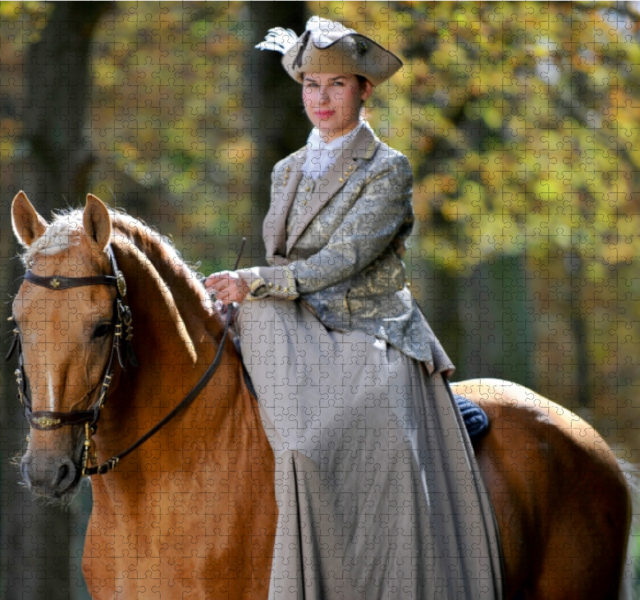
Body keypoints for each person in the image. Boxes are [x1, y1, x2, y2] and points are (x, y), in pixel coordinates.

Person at [205, 17, 502, 600]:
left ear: (364, 90)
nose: (321, 98)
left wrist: (257, 282)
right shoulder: (285, 169)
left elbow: (346, 258)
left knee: (329, 438)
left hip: (369, 321)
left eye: (336, 85)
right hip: (290, 314)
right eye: (311, 86)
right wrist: (237, 300)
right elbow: (283, 252)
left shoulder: (388, 168)